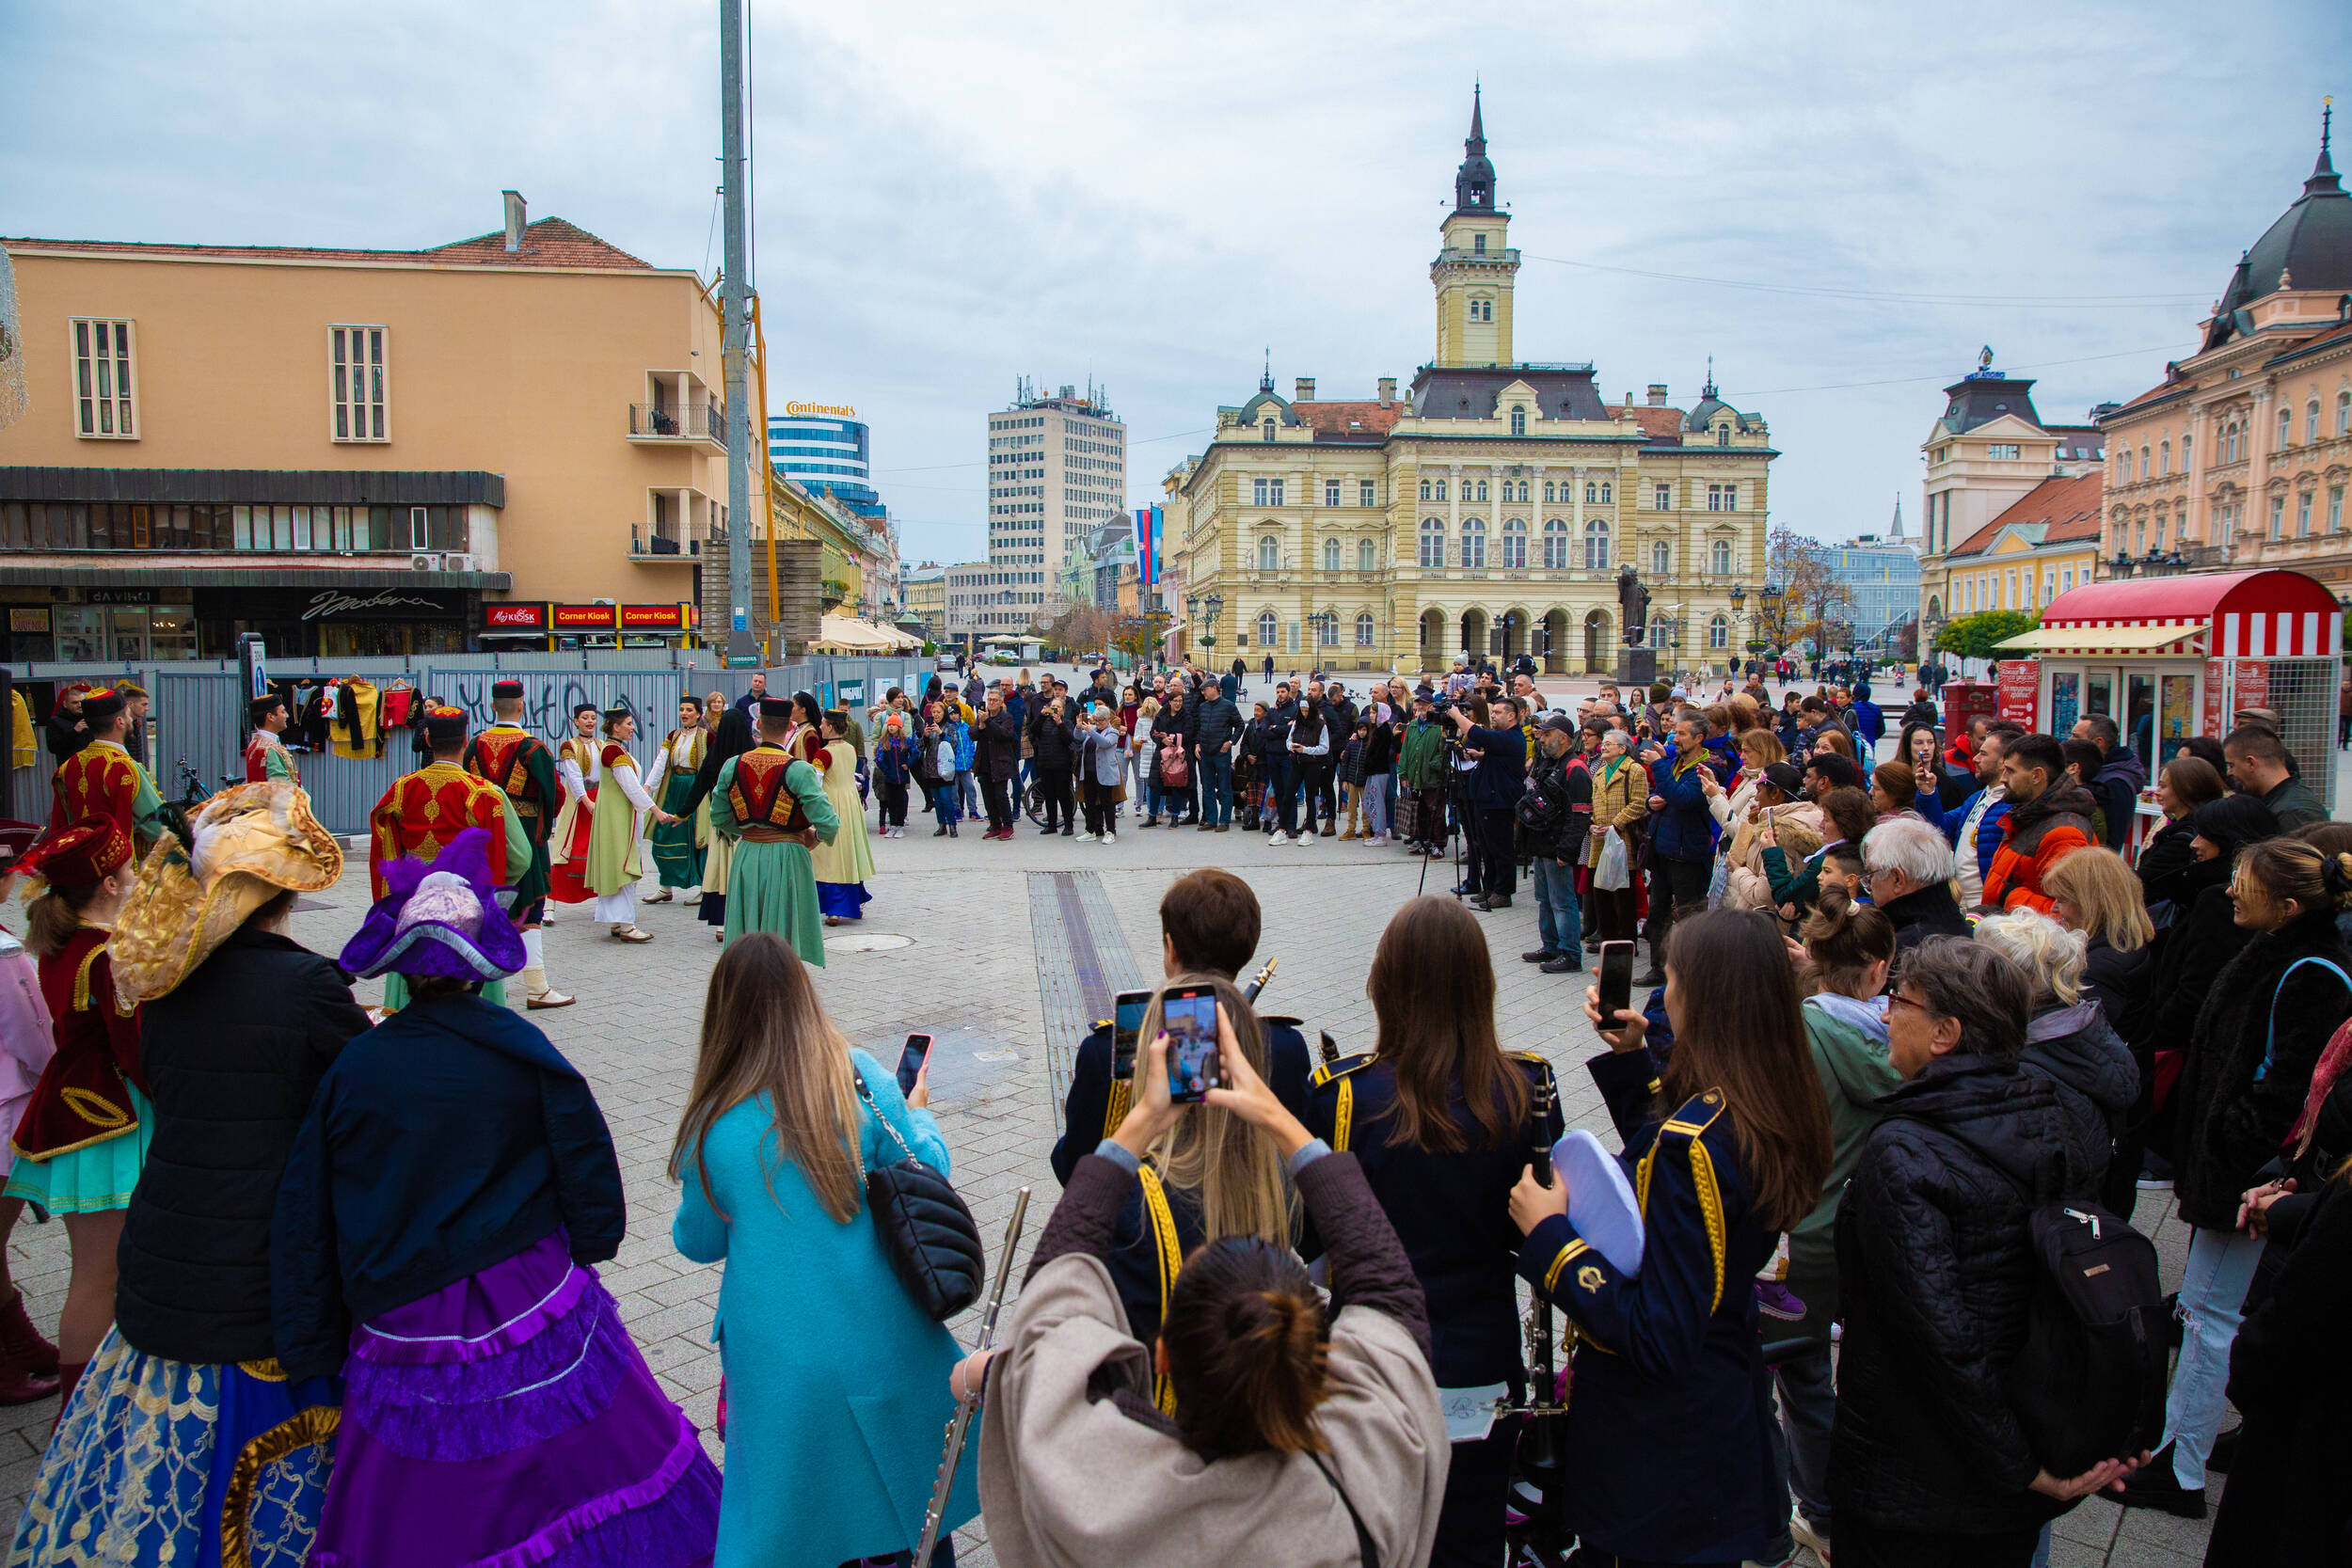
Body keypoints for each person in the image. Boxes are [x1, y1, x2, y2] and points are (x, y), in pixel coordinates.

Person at [273, 829, 720, 1564]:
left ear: (403, 972)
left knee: (431, 1496)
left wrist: (310, 1338)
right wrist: (591, 1241)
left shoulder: (357, 1067)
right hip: (529, 1292)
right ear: (480, 968)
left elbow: (307, 1209)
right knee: (571, 1459)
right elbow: (585, 1155)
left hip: (402, 1303)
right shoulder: (519, 1046)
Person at [15, 783, 362, 1564]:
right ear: (281, 898)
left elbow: (166, 1079)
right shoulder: (307, 984)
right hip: (258, 1262)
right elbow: (356, 1102)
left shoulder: (163, 980)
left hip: (167, 1240)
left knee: (162, 1444)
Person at [976, 1001, 1449, 1567]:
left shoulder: (1091, 1490)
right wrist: (1277, 1117)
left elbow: (1049, 1307)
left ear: (1161, 1356)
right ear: (1316, 1364)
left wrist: (1142, 1119)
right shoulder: (1366, 1484)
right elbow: (1389, 1292)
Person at [1517, 909, 1834, 1564]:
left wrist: (1552, 1238)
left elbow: (1657, 1333)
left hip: (1660, 1450)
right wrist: (1634, 1061)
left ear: (1707, 1001)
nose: (1664, 996)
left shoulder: (1695, 1147)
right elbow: (1683, 1169)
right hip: (1718, 1412)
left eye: (1672, 980)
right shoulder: (1775, 1095)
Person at [1832, 936, 2143, 1565]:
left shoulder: (1905, 1151)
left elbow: (1940, 1341)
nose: (1886, 1015)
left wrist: (2021, 1466)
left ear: (1945, 1033)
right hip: (2010, 1460)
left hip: (1914, 1487)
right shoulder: (2048, 1108)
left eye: (1900, 1001)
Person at [671, 935, 981, 1563]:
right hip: (881, 1326)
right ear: (802, 996)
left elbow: (697, 1241)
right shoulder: (857, 1076)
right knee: (912, 1496)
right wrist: (920, 1113)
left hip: (776, 1352)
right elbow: (928, 1170)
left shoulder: (712, 1119)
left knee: (798, 1510)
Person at [1307, 898, 1561, 1566]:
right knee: (1472, 1532)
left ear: (1386, 983)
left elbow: (1309, 1239)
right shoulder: (1527, 1087)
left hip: (1371, 1358)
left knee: (1371, 1532)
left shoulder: (1343, 1096)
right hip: (1482, 1352)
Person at [2121, 839, 2352, 1518]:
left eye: (2243, 884)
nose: (2228, 892)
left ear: (2287, 906)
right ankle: (2179, 1449)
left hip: (2244, 1177)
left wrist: (2233, 1153)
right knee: (2205, 1312)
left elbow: (2287, 1089)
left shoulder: (2310, 970)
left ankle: (2181, 1467)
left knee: (2208, 1317)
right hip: (2236, 1171)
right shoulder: (2282, 952)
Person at [4, 819, 143, 1416]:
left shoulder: (68, 941)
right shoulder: (107, 953)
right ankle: (78, 1419)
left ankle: (97, 1404)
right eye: (130, 869)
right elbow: (136, 1052)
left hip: (77, 1108)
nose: (136, 876)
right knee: (98, 1277)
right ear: (109, 883)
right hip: (109, 1120)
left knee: (100, 1274)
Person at [1781, 886, 1903, 1559]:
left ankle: (1819, 1514)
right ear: (1881, 970)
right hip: (1865, 1228)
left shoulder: (1799, 1030)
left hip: (1800, 1231)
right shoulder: (1903, 1040)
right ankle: (1854, 1503)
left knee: (1794, 1377)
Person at [368, 705, 534, 1005]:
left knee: (412, 992)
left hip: (415, 904)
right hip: (468, 905)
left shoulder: (401, 790)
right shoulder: (486, 793)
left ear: (428, 740)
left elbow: (385, 849)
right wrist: (491, 886)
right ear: (466, 740)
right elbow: (521, 855)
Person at [1975, 909, 2138, 1199]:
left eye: (1985, 969)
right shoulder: (2076, 1029)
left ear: (2024, 984)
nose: (1970, 976)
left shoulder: (2032, 1068)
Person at [464, 678, 572, 1007]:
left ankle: (477, 986)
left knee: (484, 905)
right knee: (531, 906)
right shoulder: (533, 748)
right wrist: (542, 828)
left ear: (492, 707)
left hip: (484, 836)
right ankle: (537, 987)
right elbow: (554, 794)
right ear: (522, 706)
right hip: (524, 834)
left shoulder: (474, 745)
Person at [708, 698, 838, 963]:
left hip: (747, 853)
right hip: (789, 855)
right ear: (790, 727)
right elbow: (829, 822)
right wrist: (815, 837)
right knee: (785, 932)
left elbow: (718, 815)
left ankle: (747, 977)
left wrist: (748, 832)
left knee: (748, 929)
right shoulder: (799, 770)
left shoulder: (733, 765)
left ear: (758, 724)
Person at [1978, 733, 2095, 914]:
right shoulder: (2027, 815)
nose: (2003, 778)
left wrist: (2008, 895)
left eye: (2011, 771)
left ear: (2036, 776)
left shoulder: (2065, 833)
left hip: (2030, 931)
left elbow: (2068, 913)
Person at [585, 705, 675, 942]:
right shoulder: (613, 752)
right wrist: (656, 810)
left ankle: (618, 921)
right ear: (615, 727)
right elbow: (631, 787)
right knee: (624, 865)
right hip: (618, 817)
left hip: (617, 815)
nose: (632, 728)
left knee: (618, 865)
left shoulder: (614, 749)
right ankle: (626, 925)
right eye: (628, 724)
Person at [45, 690, 163, 854]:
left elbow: (62, 823)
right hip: (119, 862)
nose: (131, 719)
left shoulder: (68, 766)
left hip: (84, 858)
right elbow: (158, 828)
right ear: (120, 722)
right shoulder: (125, 767)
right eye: (128, 715)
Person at [1518, 713, 1593, 973]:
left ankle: (1570, 954)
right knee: (1545, 899)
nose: (1542, 739)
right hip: (1541, 843)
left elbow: (1580, 815)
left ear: (1563, 738)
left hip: (1558, 846)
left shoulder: (1575, 768)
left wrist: (1567, 850)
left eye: (1547, 734)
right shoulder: (1547, 763)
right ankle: (1550, 946)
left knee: (1562, 901)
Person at [677, 706, 756, 940]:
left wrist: (682, 814)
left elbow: (700, 785)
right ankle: (748, 921)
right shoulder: (751, 755)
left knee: (722, 872)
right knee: (745, 873)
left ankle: (723, 925)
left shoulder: (715, 754)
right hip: (748, 827)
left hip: (722, 825)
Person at [1448, 694, 1528, 910]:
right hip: (1487, 799)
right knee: (1487, 847)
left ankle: (1503, 892)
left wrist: (1457, 715)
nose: (1493, 716)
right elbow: (1499, 754)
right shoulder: (1503, 737)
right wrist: (1480, 756)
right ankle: (1490, 887)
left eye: (1498, 713)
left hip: (1499, 801)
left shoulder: (1511, 736)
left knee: (1501, 849)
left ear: (1511, 716)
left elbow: (1478, 734)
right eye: (1493, 712)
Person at [1858, 816, 1966, 952]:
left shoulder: (1895, 951)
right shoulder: (1972, 935)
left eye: (1870, 874)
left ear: (1897, 879)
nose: (1869, 885)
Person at [2136, 754, 2226, 912]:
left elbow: (2141, 882)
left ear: (2186, 789)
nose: (2157, 792)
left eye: (2163, 786)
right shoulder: (2184, 828)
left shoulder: (2183, 840)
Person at [810, 709, 876, 925]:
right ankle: (854, 900)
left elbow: (815, 783)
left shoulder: (823, 754)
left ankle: (833, 909)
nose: (820, 727)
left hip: (831, 803)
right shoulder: (850, 749)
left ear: (830, 727)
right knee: (848, 850)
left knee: (829, 855)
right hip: (850, 803)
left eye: (823, 723)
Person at [644, 693, 710, 902]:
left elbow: (711, 767)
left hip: (695, 791)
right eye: (682, 709)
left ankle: (704, 888)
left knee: (697, 837)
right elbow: (661, 761)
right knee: (665, 833)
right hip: (672, 789)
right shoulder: (673, 736)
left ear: (699, 714)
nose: (684, 713)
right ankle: (665, 886)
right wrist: (647, 786)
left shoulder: (707, 737)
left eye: (689, 710)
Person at [547, 703, 602, 908]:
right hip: (577, 804)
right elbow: (574, 777)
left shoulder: (602, 745)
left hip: (599, 799)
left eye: (593, 717)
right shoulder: (568, 746)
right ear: (576, 721)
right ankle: (550, 904)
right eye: (585, 718)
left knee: (600, 852)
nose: (590, 721)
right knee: (565, 852)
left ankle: (604, 902)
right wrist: (587, 802)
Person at [2224, 722, 2326, 831]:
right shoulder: (2286, 801)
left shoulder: (2291, 813)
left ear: (2251, 763)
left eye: (2231, 765)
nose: (2229, 772)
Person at [2069, 713, 2147, 851]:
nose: (2070, 740)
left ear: (2098, 742)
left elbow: (2112, 838)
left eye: (2076, 736)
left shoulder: (2117, 783)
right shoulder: (2095, 768)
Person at [1027, 689, 1078, 836]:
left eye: (1058, 707)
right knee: (1049, 796)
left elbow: (1069, 739)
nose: (1055, 709)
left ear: (1063, 710)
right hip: (1045, 763)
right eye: (1053, 706)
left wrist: (1060, 723)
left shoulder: (1067, 723)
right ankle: (1051, 824)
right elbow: (1032, 731)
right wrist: (1041, 716)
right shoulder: (1043, 721)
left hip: (1062, 765)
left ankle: (1068, 825)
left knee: (1063, 795)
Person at [1193, 674, 1240, 832]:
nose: (1203, 693)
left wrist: (1230, 742)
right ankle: (1211, 819)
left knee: (1224, 787)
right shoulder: (1203, 707)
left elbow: (1240, 725)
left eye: (1205, 690)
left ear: (1214, 688)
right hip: (1205, 753)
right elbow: (1199, 728)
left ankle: (1224, 821)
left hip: (1221, 752)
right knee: (1207, 788)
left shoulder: (1228, 706)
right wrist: (1197, 744)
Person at [1076, 704, 1126, 844]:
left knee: (1107, 803)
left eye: (1101, 720)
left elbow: (1105, 743)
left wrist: (1090, 731)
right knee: (1090, 803)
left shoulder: (1112, 732)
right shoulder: (1091, 729)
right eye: (1096, 720)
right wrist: (1078, 726)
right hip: (1089, 772)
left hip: (1105, 772)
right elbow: (1078, 737)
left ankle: (1110, 831)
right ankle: (1090, 830)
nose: (1098, 723)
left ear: (1108, 719)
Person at [976, 688, 1020, 840]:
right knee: (988, 797)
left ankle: (1008, 826)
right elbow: (972, 734)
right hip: (984, 761)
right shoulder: (982, 716)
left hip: (1000, 762)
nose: (991, 703)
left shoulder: (1006, 717)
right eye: (989, 700)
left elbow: (1004, 734)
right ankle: (995, 825)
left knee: (1000, 795)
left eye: (994, 700)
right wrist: (980, 727)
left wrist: (988, 721)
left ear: (1001, 702)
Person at [245, 693, 299, 784]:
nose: (287, 715)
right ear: (271, 717)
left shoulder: (257, 743)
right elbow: (283, 787)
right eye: (283, 712)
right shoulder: (269, 748)